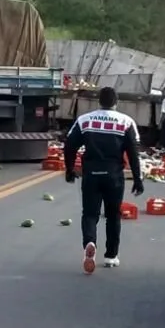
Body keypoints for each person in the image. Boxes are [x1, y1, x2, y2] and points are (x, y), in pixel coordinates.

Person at [63, 87, 144, 274]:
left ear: (99, 101)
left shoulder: (85, 120)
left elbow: (69, 146)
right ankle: (111, 256)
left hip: (91, 175)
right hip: (114, 176)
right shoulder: (126, 122)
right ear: (116, 102)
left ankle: (90, 242)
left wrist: (69, 169)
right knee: (113, 215)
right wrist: (137, 179)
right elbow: (133, 153)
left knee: (90, 214)